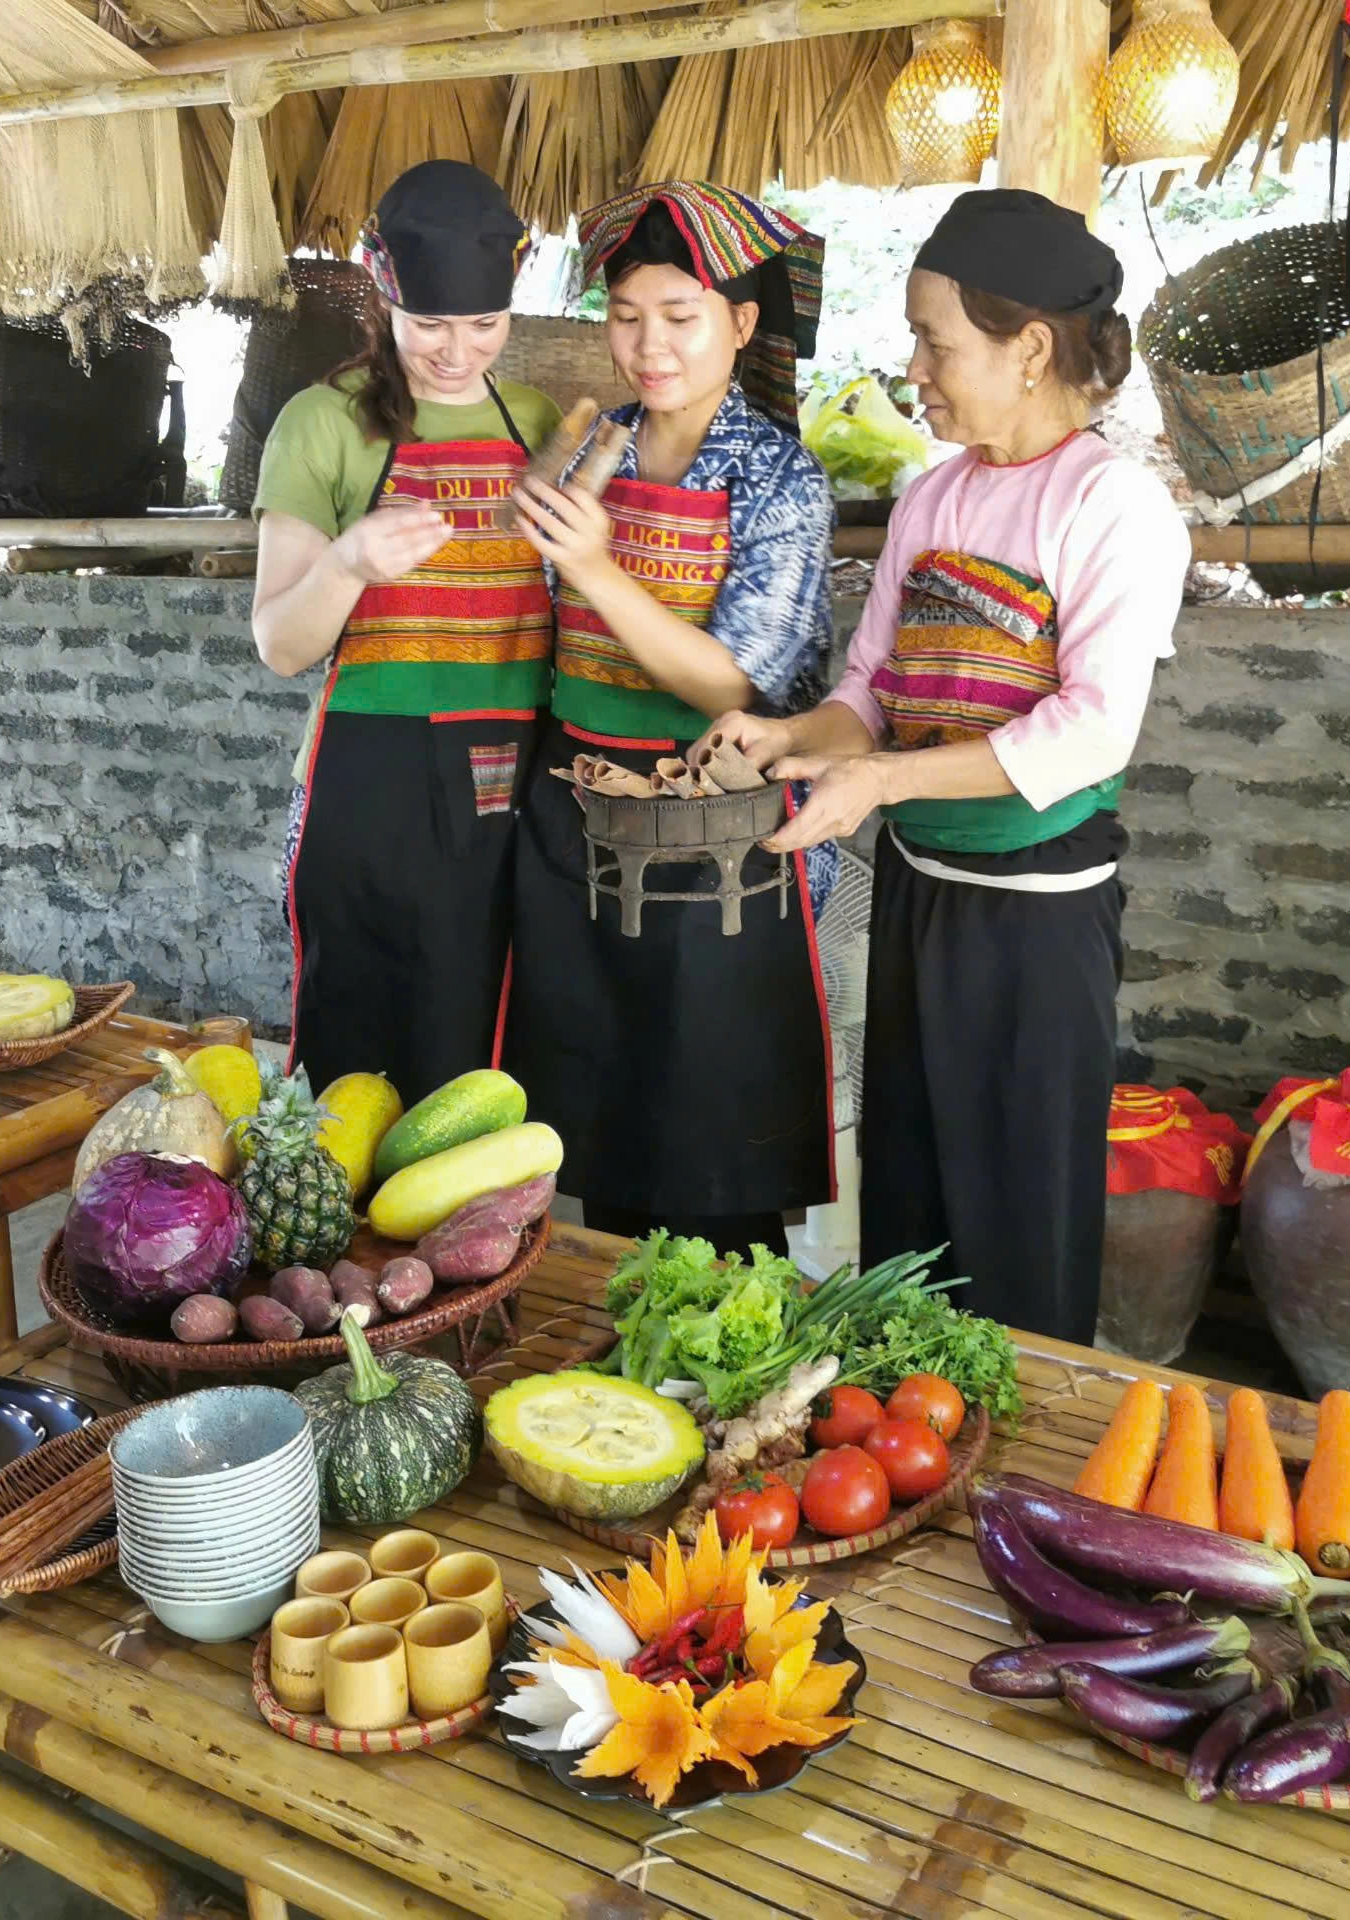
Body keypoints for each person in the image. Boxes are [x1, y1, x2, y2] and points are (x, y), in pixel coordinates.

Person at [715, 189, 1190, 1339]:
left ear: (1029, 350)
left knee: (1015, 1222)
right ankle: (909, 1445)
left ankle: (1016, 1458)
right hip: (922, 907)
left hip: (1035, 930)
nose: (913, 368)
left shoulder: (1113, 506)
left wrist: (882, 785)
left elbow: (1089, 730)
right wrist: (787, 741)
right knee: (913, 1211)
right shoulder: (935, 496)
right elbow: (868, 692)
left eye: (936, 341)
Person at [503, 181, 838, 1253]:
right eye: (627, 315)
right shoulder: (594, 442)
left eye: (681, 317)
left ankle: (728, 1363)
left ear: (741, 324)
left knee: (708, 1129)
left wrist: (594, 567)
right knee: (597, 1117)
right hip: (576, 819)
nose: (650, 346)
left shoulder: (780, 476)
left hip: (715, 834)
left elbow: (737, 682)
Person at [252, 161, 566, 1099]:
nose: (457, 352)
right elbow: (280, 644)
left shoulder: (540, 421)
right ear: (384, 296)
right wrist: (348, 563)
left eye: (484, 325)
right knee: (365, 1033)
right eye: (431, 324)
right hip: (374, 774)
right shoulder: (322, 424)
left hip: (517, 768)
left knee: (494, 1037)